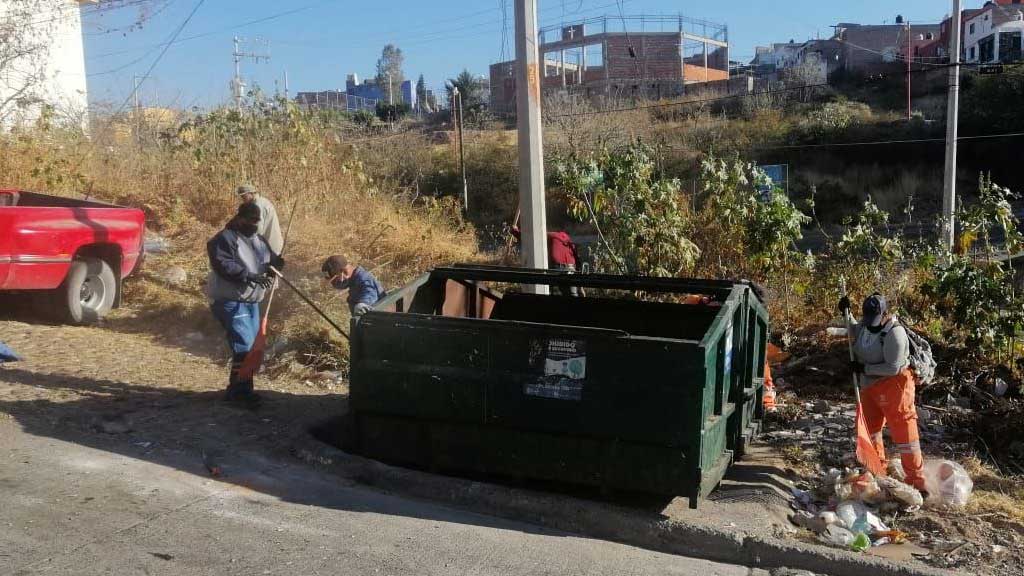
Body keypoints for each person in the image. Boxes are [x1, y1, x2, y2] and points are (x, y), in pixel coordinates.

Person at [840, 292, 925, 491]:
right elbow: (854, 329)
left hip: (894, 384)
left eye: (875, 319)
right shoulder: (865, 325)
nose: (871, 323)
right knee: (870, 430)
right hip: (870, 386)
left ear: (885, 314)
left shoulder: (895, 334)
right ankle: (876, 471)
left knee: (905, 435)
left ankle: (917, 481)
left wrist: (865, 369)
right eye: (867, 319)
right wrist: (846, 312)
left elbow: (893, 367)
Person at [207, 203, 284, 405]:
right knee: (245, 346)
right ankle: (239, 393)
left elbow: (270, 260)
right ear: (240, 218)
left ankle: (241, 388)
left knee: (253, 347)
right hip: (230, 300)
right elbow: (224, 265)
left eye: (257, 221)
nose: (254, 224)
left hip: (251, 301)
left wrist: (276, 264)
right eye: (250, 220)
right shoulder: (224, 238)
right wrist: (248, 276)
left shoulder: (258, 240)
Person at [511, 226, 581, 296]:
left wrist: (515, 231)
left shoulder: (551, 235)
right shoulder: (568, 240)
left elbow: (531, 239)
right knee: (572, 295)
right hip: (571, 269)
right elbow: (577, 260)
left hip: (557, 268)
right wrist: (580, 287)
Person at [321, 255, 386, 317]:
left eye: (335, 280)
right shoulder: (354, 283)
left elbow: (370, 292)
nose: (334, 284)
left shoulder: (363, 278)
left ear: (344, 272)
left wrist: (363, 303)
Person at [237, 184, 284, 254]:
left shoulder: (258, 206)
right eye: (241, 197)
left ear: (251, 193)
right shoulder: (263, 201)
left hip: (270, 246)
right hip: (272, 244)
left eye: (244, 196)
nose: (242, 199)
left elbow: (258, 230)